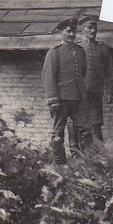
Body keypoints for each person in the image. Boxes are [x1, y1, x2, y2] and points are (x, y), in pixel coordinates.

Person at [41, 17, 94, 165]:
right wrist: (53, 99)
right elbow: (48, 76)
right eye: (68, 31)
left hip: (78, 97)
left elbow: (82, 73)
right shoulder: (54, 52)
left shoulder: (80, 51)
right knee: (58, 133)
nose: (72, 34)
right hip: (61, 99)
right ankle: (60, 164)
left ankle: (83, 162)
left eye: (74, 31)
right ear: (61, 33)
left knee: (86, 129)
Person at [72, 13, 113, 145]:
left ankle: (97, 154)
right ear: (82, 29)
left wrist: (109, 90)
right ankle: (80, 153)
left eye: (95, 28)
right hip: (79, 93)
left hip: (96, 92)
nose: (93, 31)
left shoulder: (102, 48)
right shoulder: (76, 47)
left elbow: (109, 71)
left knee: (96, 123)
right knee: (80, 123)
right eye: (89, 28)